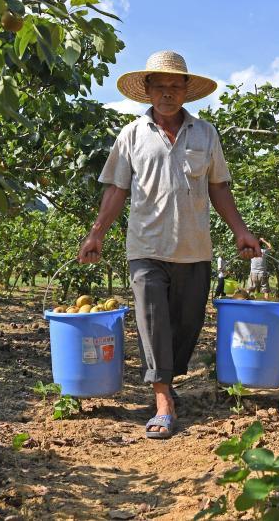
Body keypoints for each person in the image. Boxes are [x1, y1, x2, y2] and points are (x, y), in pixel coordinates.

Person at [78, 50, 261, 440]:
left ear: (186, 91)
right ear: (147, 90)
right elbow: (116, 188)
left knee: (187, 325)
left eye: (175, 86)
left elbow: (219, 187)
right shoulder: (131, 135)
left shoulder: (205, 133)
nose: (167, 93)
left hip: (194, 248)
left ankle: (167, 379)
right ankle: (162, 400)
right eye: (159, 86)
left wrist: (241, 230)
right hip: (145, 247)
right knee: (153, 321)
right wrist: (97, 233)